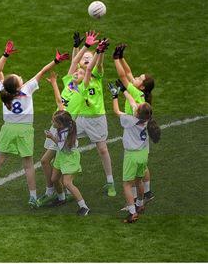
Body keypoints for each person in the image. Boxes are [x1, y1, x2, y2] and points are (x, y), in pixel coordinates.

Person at [0, 40, 69, 208]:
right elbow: (43, 71)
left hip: (8, 129)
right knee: (27, 165)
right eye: (18, 77)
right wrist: (56, 61)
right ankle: (33, 197)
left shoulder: (3, 91)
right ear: (19, 85)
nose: (20, 76)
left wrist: (5, 54)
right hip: (25, 130)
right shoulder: (27, 89)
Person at [37, 31, 95, 206]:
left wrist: (87, 47)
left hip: (63, 130)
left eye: (79, 74)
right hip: (57, 126)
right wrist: (77, 45)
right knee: (46, 161)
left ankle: (52, 191)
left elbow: (60, 104)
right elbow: (74, 63)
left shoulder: (80, 94)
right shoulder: (70, 86)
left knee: (45, 160)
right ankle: (58, 193)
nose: (76, 72)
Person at [109, 84, 161, 223]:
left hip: (131, 156)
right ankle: (140, 204)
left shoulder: (129, 120)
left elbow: (116, 111)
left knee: (127, 184)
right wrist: (124, 90)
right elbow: (133, 102)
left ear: (137, 112)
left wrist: (114, 95)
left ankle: (132, 213)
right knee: (139, 181)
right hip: (143, 154)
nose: (136, 104)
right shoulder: (147, 119)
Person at [113, 44, 156, 203]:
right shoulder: (141, 92)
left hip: (133, 128)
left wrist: (115, 59)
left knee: (132, 175)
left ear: (142, 86)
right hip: (141, 135)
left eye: (140, 78)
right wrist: (122, 57)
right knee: (142, 166)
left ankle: (135, 201)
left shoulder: (135, 92)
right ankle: (148, 191)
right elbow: (129, 73)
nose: (136, 77)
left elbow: (123, 76)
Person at [75, 36, 117, 197]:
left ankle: (110, 181)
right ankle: (66, 179)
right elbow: (76, 61)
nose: (86, 59)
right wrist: (78, 47)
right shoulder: (77, 76)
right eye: (84, 58)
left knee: (102, 149)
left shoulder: (97, 75)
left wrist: (100, 52)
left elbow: (99, 64)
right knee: (66, 142)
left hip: (97, 118)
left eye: (89, 58)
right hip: (80, 117)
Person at [44, 110, 90, 216]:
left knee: (67, 183)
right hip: (62, 156)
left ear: (60, 124)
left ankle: (84, 207)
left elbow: (62, 146)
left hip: (69, 158)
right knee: (54, 178)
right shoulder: (63, 128)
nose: (52, 122)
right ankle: (61, 198)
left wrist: (51, 137)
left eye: (54, 121)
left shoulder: (66, 133)